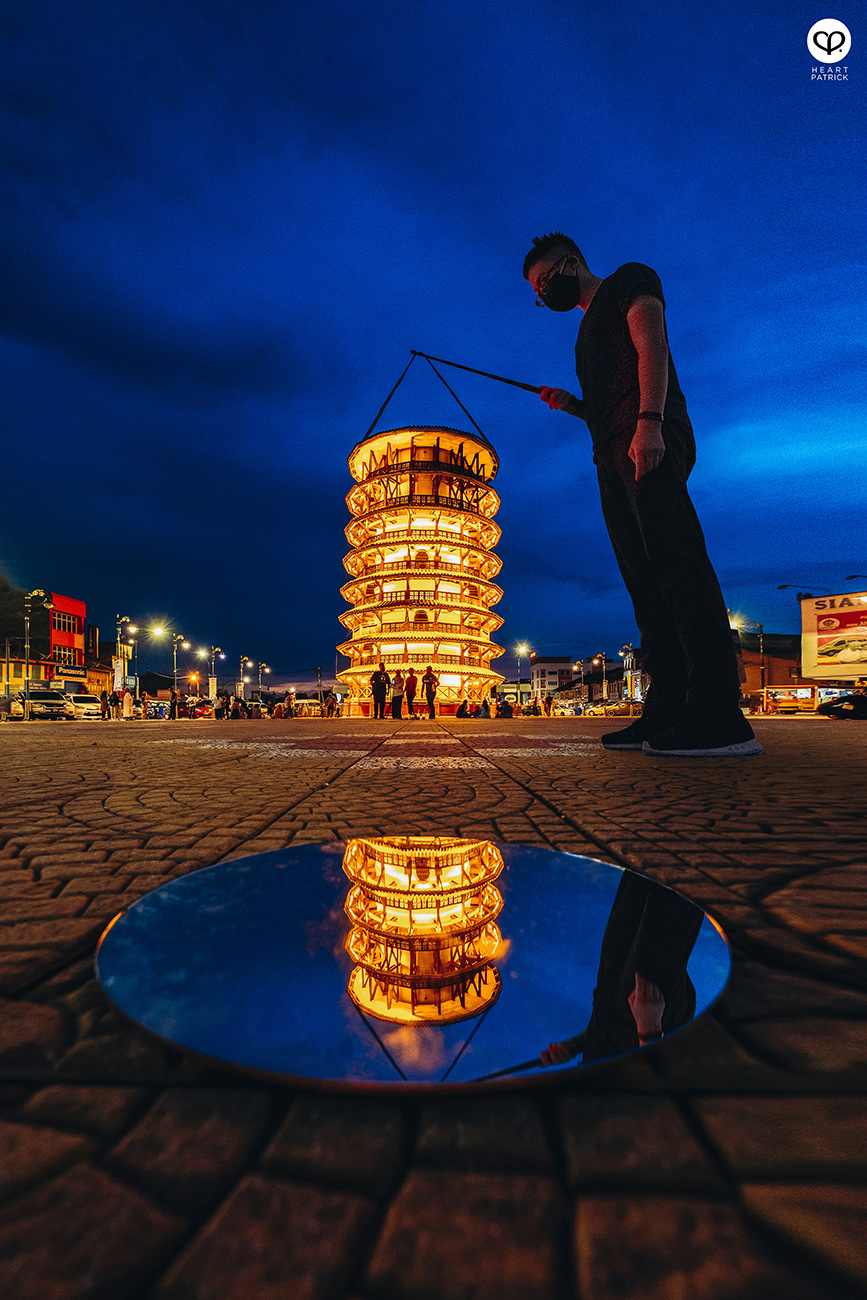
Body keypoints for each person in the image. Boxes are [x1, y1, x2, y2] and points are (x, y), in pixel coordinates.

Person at [523, 232, 761, 759]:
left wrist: (650, 423)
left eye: (544, 281)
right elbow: (607, 402)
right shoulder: (584, 332)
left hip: (647, 435)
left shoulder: (630, 279)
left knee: (677, 564)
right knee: (643, 581)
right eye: (538, 293)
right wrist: (573, 406)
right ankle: (668, 708)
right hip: (611, 451)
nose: (543, 295)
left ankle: (719, 713)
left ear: (570, 262)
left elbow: (652, 347)